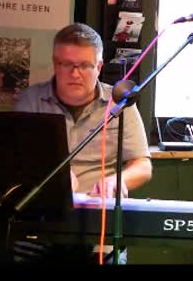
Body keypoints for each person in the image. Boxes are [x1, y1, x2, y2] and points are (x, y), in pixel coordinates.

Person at [12, 23, 152, 263]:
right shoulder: (31, 100)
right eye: (66, 64)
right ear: (55, 64)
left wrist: (117, 180)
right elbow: (15, 163)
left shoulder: (121, 104)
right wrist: (52, 178)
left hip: (99, 226)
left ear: (99, 67)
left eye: (85, 65)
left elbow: (143, 166)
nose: (75, 74)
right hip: (40, 223)